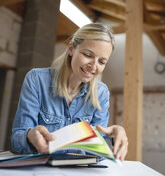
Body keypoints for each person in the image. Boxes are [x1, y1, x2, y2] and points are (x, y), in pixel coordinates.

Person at [11, 23, 128, 161]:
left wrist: (112, 141)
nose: (94, 66)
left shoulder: (101, 93)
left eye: (102, 62)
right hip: (39, 172)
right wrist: (29, 135)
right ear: (71, 48)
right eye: (88, 55)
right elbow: (16, 141)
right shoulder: (37, 80)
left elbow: (97, 154)